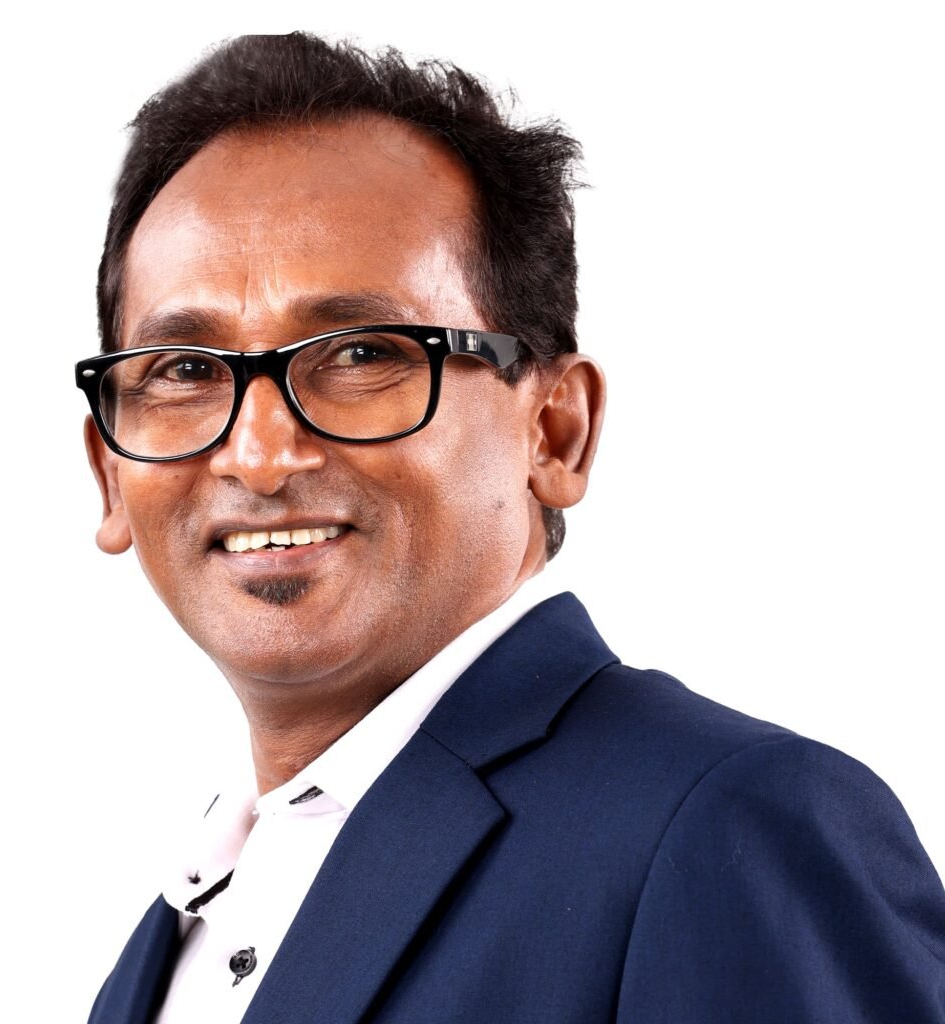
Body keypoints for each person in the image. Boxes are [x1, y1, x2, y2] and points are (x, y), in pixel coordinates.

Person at [77, 32, 945, 1024]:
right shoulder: (193, 916)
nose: (261, 454)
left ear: (555, 430)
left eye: (364, 354)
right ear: (110, 475)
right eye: (185, 371)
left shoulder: (727, 827)